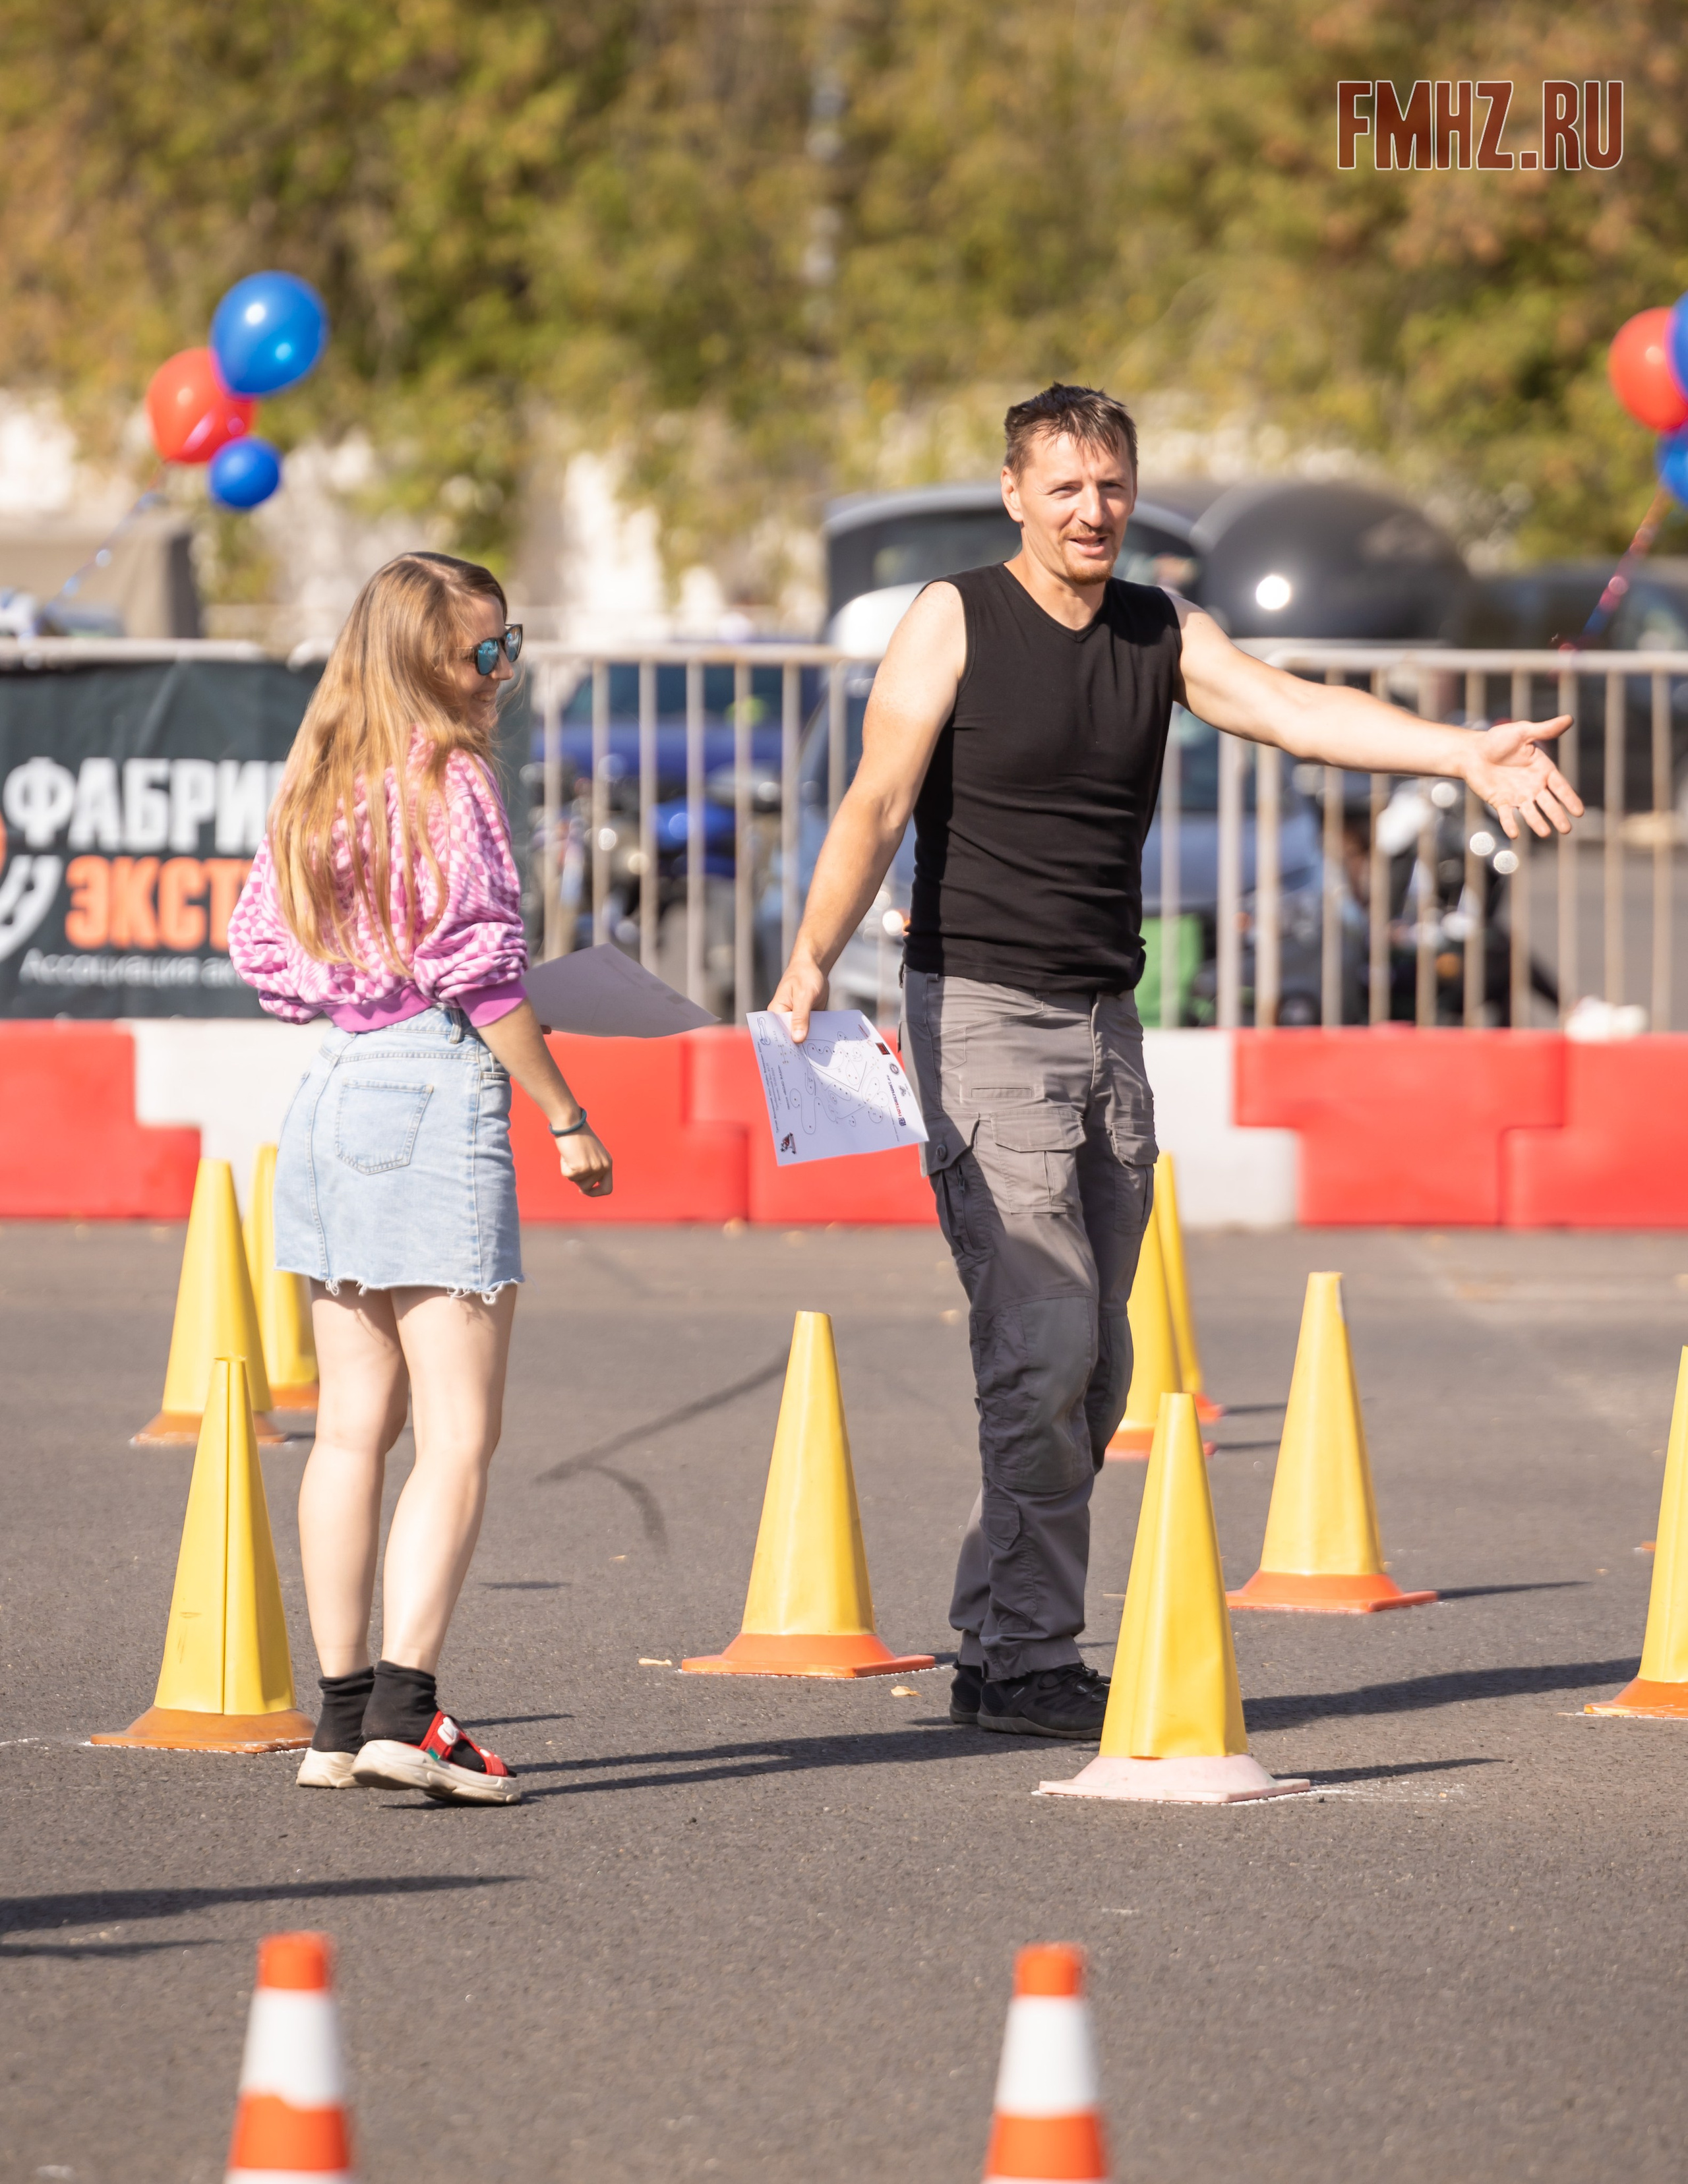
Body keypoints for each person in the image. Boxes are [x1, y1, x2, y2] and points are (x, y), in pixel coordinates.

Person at [769, 383, 1580, 1740]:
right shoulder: (953, 617)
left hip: (1102, 1020)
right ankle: (1025, 1653)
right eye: (1064, 486)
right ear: (1015, 495)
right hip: (975, 1009)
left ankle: (994, 1627)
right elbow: (875, 796)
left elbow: (1293, 711)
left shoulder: (1158, 628)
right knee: (1042, 1333)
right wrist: (807, 961)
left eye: (1110, 486)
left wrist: (1458, 752)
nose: (1091, 510)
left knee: (1095, 1364)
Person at [228, 551, 613, 1804]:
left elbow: (261, 953)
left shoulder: (315, 778)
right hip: (433, 1085)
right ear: (421, 658)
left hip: (332, 1085)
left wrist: (364, 981)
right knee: (458, 1430)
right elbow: (482, 972)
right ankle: (410, 1708)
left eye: (511, 646)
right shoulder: (448, 776)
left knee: (351, 1426)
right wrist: (566, 1113)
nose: (500, 671)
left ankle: (339, 1719)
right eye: (481, 651)